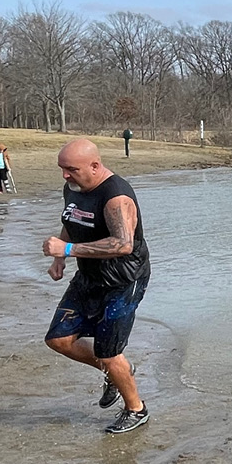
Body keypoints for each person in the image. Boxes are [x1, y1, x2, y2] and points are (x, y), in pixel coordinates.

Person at [42, 139, 152, 434]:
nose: (65, 175)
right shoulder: (74, 186)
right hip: (89, 276)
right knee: (58, 339)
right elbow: (72, 218)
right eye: (62, 169)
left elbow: (123, 244)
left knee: (109, 352)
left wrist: (67, 250)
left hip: (122, 280)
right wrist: (60, 259)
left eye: (71, 169)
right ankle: (115, 374)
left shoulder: (116, 196)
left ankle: (136, 409)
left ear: (95, 165)